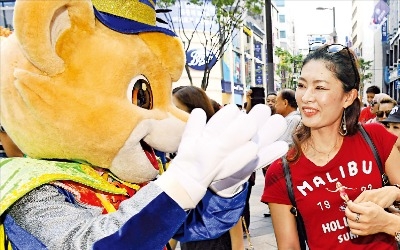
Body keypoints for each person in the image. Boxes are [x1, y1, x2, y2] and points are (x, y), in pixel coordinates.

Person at [262, 44, 400, 249]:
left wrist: (393, 201)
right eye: (301, 85)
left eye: (320, 87)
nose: (306, 97)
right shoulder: (280, 172)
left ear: (348, 97)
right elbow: (289, 246)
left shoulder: (376, 138)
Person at [171, 86, 244, 250]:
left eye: (176, 110)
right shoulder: (178, 154)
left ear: (196, 114)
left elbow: (231, 207)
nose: (170, 117)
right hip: (189, 241)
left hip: (215, 242)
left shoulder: (216, 154)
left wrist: (238, 246)